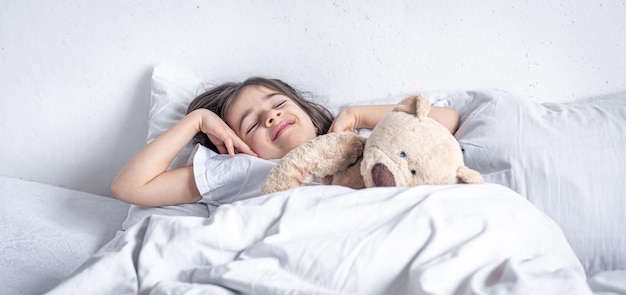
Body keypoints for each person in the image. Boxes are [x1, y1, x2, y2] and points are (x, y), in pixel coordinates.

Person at [111, 77, 460, 207]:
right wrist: (196, 121)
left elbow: (446, 123)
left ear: (309, 112)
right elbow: (130, 187)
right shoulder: (239, 169)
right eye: (251, 125)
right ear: (234, 145)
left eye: (279, 105)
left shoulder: (357, 139)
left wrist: (356, 115)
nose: (271, 117)